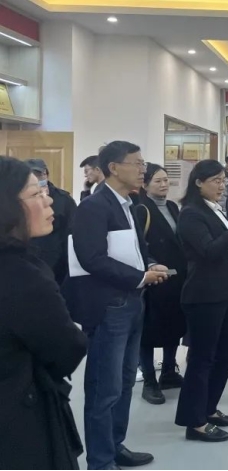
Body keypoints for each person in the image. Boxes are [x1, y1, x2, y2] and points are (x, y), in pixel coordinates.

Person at [63, 141, 169, 470]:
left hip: (133, 301)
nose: (142, 170)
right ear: (113, 167)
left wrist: (150, 264)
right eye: (137, 163)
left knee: (123, 383)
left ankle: (115, 445)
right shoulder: (94, 207)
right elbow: (91, 258)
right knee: (103, 388)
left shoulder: (130, 204)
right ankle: (100, 460)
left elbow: (136, 248)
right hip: (109, 306)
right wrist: (140, 276)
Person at [0, 156, 87, 470]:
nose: (48, 199)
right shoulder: (21, 274)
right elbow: (66, 348)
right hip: (21, 418)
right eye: (36, 193)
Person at [175, 159, 228, 442]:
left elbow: (220, 249)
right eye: (215, 181)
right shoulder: (191, 213)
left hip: (224, 290)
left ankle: (208, 408)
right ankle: (195, 422)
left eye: (223, 180)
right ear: (198, 182)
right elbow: (208, 251)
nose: (221, 186)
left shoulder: (214, 209)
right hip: (203, 295)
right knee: (202, 358)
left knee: (227, 352)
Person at [133, 163, 187, 405]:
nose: (164, 184)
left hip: (176, 278)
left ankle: (168, 371)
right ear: (145, 185)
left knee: (173, 325)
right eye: (158, 181)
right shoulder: (141, 209)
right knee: (148, 331)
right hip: (153, 279)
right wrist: (152, 264)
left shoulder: (173, 207)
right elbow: (137, 244)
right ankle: (149, 381)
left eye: (165, 180)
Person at [27, 158, 77, 284]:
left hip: (57, 261)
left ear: (46, 175)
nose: (36, 178)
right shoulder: (20, 198)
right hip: (29, 256)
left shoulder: (63, 199)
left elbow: (72, 231)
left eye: (39, 174)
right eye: (31, 175)